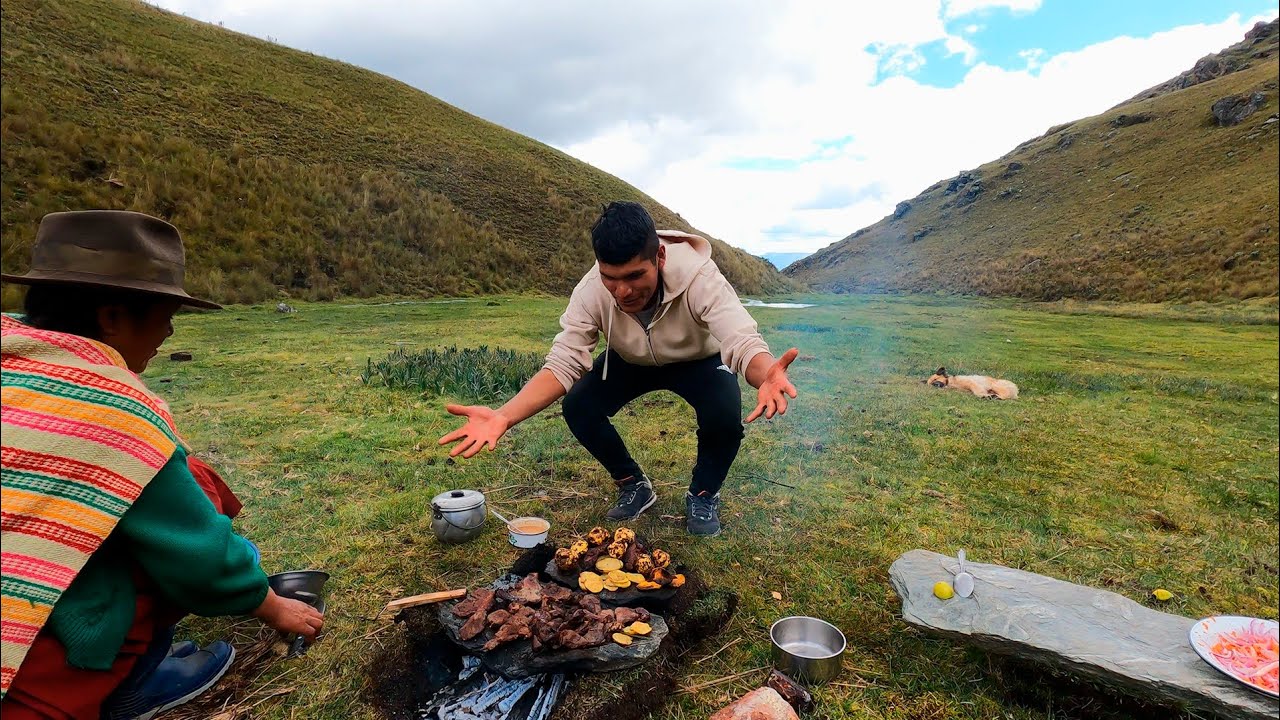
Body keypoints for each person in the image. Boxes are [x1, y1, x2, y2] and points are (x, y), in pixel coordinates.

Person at [0, 211, 324, 720]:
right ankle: (128, 685)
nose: (170, 331)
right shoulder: (107, 407)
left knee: (185, 478)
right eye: (165, 313)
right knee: (191, 500)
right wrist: (270, 604)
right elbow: (198, 557)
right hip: (25, 679)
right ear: (111, 317)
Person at [439, 201, 798, 536]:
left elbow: (741, 339)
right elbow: (565, 362)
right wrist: (504, 416)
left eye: (634, 275)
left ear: (659, 256)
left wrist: (765, 372)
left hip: (700, 360)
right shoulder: (592, 289)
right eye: (611, 277)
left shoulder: (700, 277)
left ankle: (703, 495)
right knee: (580, 405)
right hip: (630, 360)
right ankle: (633, 485)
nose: (622, 291)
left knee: (723, 415)